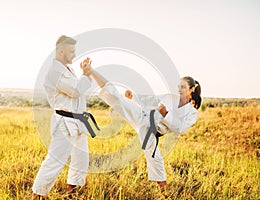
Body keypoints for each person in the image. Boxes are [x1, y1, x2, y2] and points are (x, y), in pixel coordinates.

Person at [81, 58, 201, 188]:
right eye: (179, 86)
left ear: (192, 89)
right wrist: (133, 98)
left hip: (152, 131)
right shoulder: (169, 97)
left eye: (183, 87)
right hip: (142, 116)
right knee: (116, 96)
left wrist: (166, 114)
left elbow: (180, 129)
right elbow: (150, 100)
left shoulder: (192, 113)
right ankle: (91, 71)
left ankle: (164, 191)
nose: (179, 89)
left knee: (155, 158)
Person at [31, 36, 94, 199]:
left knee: (80, 159)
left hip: (78, 122)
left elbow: (79, 90)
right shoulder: (55, 72)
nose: (74, 54)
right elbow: (75, 91)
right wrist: (86, 75)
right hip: (65, 122)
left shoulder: (68, 69)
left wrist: (86, 74)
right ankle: (38, 194)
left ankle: (72, 192)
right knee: (55, 160)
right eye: (72, 51)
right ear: (61, 51)